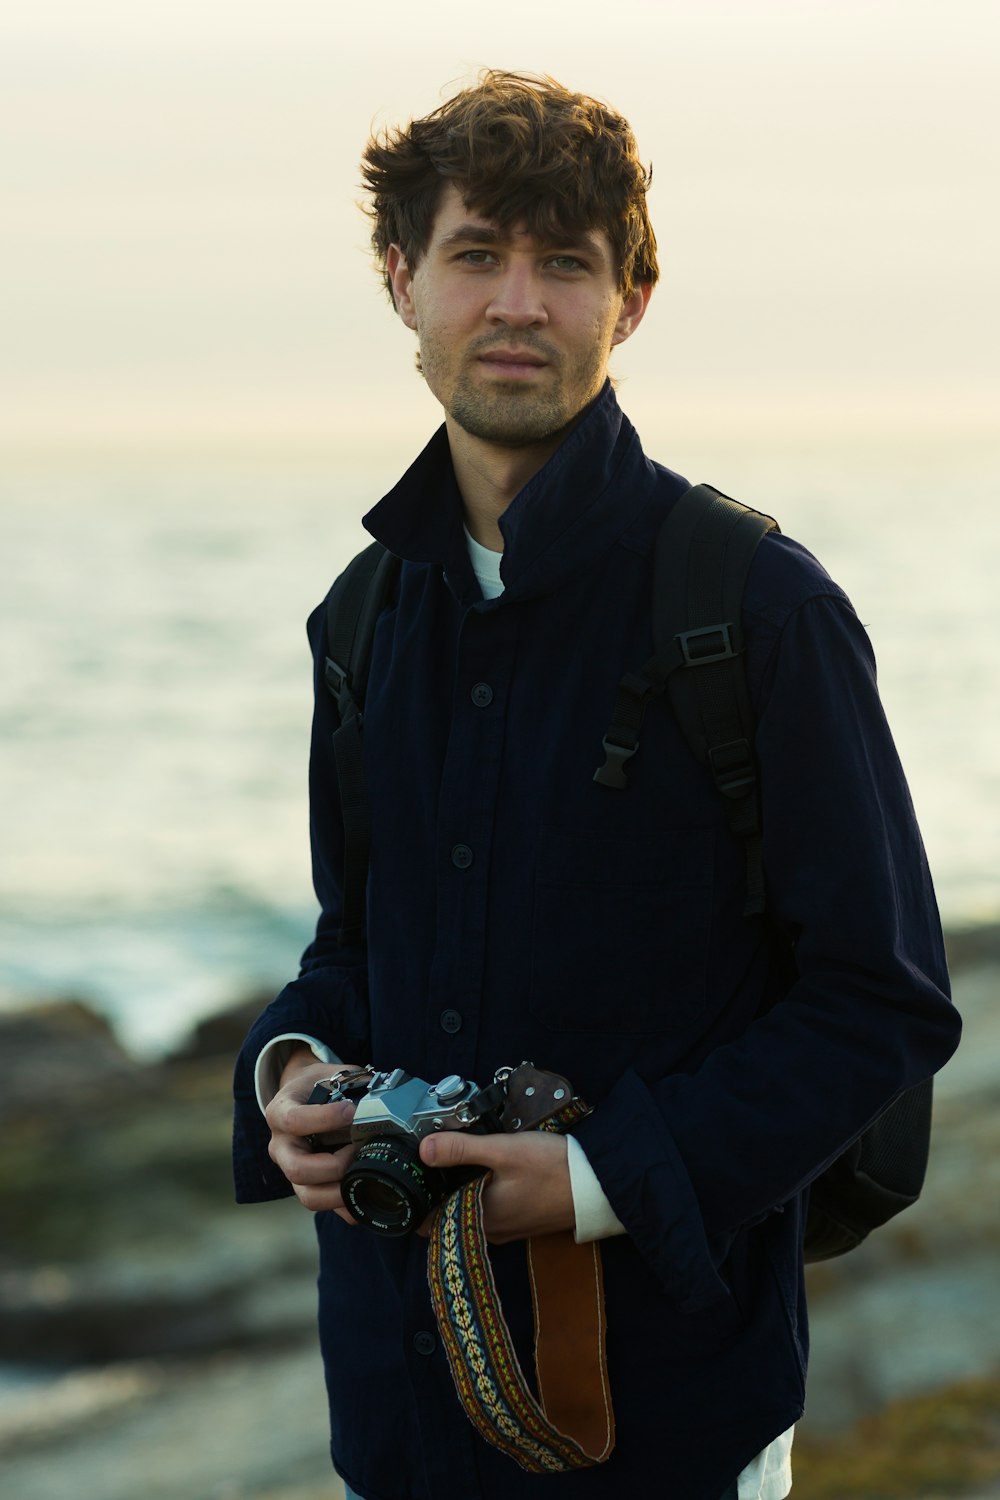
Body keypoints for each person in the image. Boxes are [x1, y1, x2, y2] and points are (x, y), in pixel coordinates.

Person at [232, 70, 960, 1500]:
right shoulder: (361, 619)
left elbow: (882, 1003)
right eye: (477, 254)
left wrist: (597, 1182)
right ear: (403, 280)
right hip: (396, 1407)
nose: (519, 302)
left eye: (566, 263)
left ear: (629, 301)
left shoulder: (756, 607)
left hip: (674, 1417)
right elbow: (353, 945)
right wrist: (296, 1070)